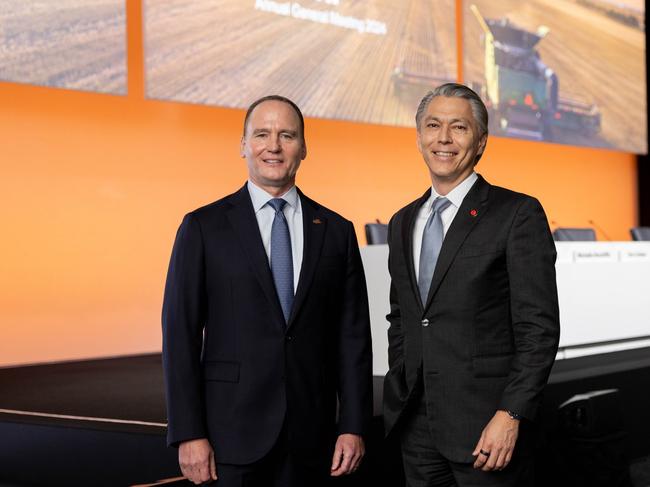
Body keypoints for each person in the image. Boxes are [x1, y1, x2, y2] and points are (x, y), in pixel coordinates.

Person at [162, 95, 373, 486]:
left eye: (286, 135)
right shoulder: (202, 228)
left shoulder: (336, 231)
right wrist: (188, 433)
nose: (273, 146)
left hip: (314, 440)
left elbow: (353, 338)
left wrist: (354, 425)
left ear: (304, 147)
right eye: (261, 134)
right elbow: (180, 336)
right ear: (243, 145)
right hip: (230, 438)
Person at [383, 83, 560, 486]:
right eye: (433, 125)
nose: (443, 138)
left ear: (480, 142)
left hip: (489, 431)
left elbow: (539, 328)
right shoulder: (401, 222)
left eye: (458, 128)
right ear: (419, 137)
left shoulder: (517, 213)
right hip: (417, 429)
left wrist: (511, 414)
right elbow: (402, 317)